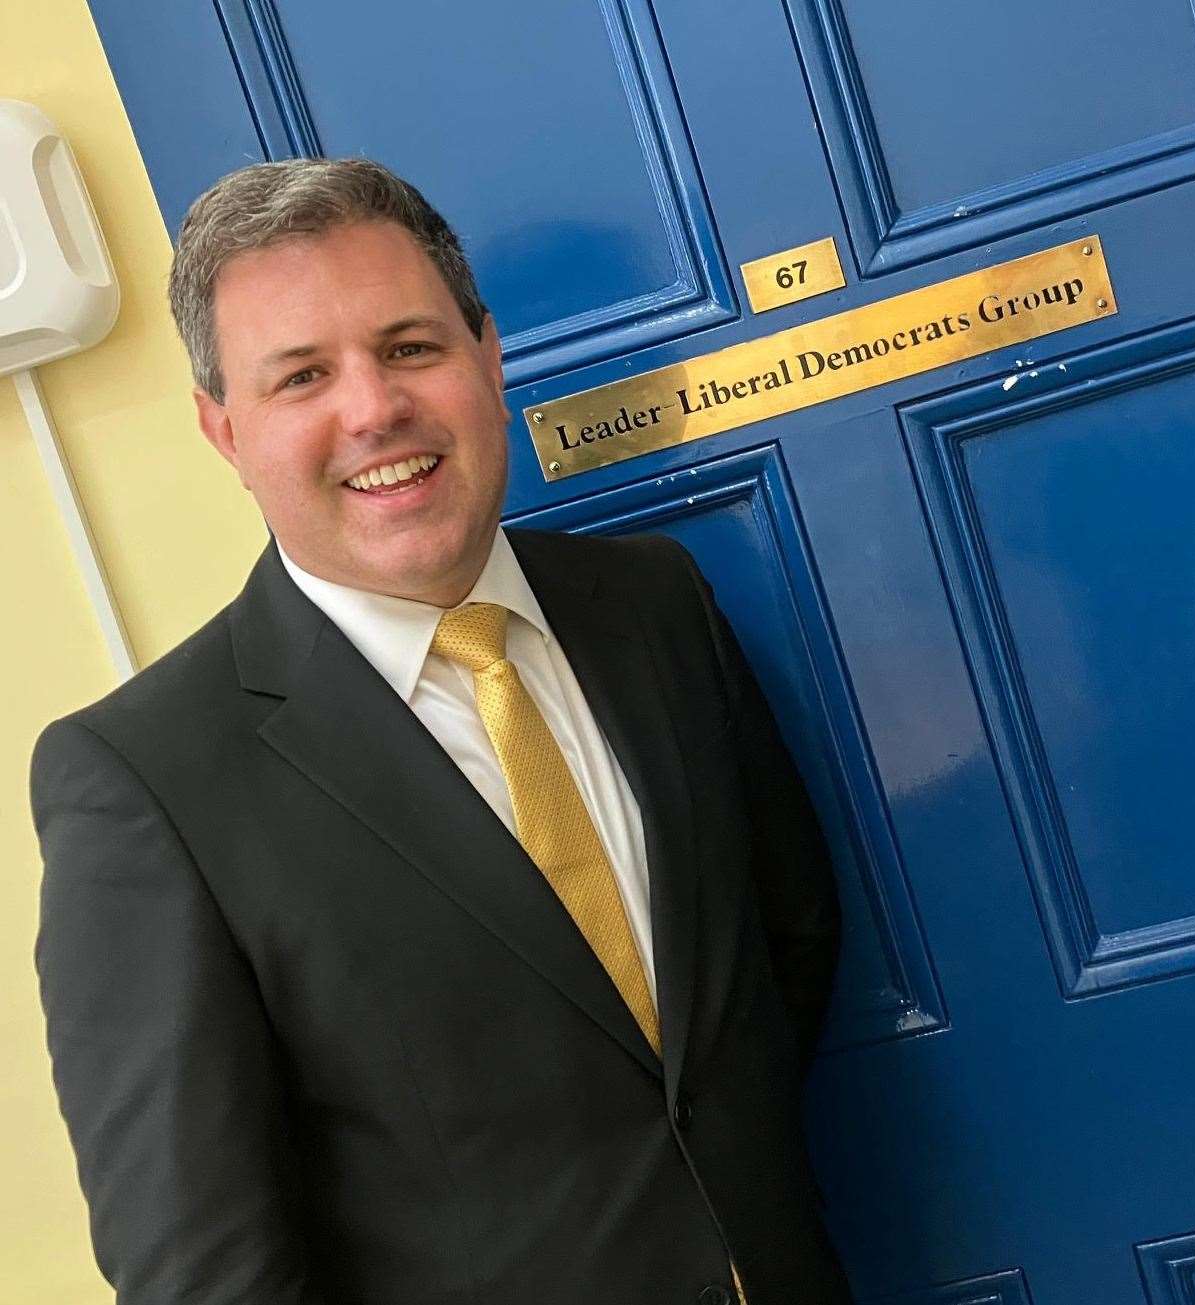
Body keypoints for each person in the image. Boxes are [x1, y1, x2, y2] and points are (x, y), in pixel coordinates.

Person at [31, 157, 850, 1305]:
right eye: (302, 376)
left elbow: (789, 941)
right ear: (226, 434)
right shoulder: (147, 782)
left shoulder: (655, 607)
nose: (372, 409)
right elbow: (200, 1269)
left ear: (489, 357)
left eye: (409, 347)